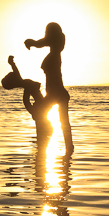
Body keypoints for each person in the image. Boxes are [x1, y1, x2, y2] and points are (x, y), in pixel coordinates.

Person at [25, 22, 73, 154]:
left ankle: (45, 144)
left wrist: (33, 43)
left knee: (43, 114)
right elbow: (46, 41)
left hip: (55, 94)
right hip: (55, 94)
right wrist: (34, 43)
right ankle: (50, 145)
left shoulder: (55, 52)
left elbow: (44, 42)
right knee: (59, 120)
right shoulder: (55, 52)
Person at [2, 55, 53, 140]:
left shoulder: (23, 83)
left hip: (40, 106)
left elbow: (26, 101)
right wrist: (32, 111)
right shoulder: (24, 84)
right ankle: (43, 138)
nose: (13, 88)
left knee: (41, 126)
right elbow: (26, 102)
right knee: (41, 126)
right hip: (39, 107)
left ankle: (44, 137)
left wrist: (11, 63)